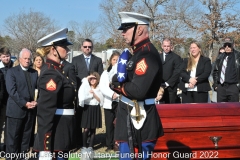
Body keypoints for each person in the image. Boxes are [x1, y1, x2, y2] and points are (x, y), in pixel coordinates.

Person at [111, 12, 164, 160]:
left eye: (126, 29)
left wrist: (116, 86)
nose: (122, 33)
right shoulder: (137, 53)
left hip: (140, 121)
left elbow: (138, 91)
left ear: (139, 30)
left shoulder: (147, 55)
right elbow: (122, 77)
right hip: (130, 117)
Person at [33, 28, 76, 159]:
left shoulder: (58, 70)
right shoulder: (51, 73)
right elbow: (45, 111)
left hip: (62, 132)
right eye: (64, 47)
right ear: (53, 50)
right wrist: (45, 149)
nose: (67, 50)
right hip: (55, 137)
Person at [5, 48, 38, 158]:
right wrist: (25, 103)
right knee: (13, 139)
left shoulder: (34, 73)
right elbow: (12, 91)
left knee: (26, 138)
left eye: (29, 58)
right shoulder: (12, 72)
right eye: (25, 58)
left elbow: (37, 89)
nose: (27, 60)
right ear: (19, 59)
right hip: (16, 111)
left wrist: (35, 102)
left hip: (30, 112)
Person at [72, 38, 103, 149]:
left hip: (93, 95)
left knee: (90, 119)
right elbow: (73, 76)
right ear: (81, 47)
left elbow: (100, 76)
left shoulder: (98, 60)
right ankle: (79, 141)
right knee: (79, 117)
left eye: (89, 47)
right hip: (81, 94)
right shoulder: (75, 60)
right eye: (85, 46)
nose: (87, 48)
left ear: (92, 48)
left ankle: (90, 141)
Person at [99, 51, 120, 152]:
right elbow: (102, 87)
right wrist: (112, 94)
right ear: (111, 61)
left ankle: (117, 143)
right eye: (114, 60)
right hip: (109, 101)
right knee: (109, 124)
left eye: (118, 60)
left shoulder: (123, 73)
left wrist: (118, 95)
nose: (116, 62)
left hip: (119, 101)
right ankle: (109, 144)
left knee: (118, 123)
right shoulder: (105, 73)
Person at [78, 72, 103, 155]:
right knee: (86, 128)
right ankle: (84, 146)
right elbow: (82, 94)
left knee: (93, 129)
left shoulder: (99, 88)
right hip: (87, 108)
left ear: (97, 79)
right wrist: (88, 77)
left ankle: (90, 147)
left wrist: (94, 94)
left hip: (95, 108)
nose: (92, 80)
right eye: (91, 79)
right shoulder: (86, 86)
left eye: (94, 78)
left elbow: (101, 100)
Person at [213, 37, 240, 102]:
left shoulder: (238, 56)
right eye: (225, 45)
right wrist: (216, 85)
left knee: (233, 110)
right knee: (221, 110)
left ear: (233, 45)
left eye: (229, 45)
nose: (227, 47)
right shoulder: (220, 57)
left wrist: (238, 87)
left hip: (233, 86)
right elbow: (215, 71)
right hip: (221, 87)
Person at [159, 38, 182, 104]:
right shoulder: (157, 56)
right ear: (162, 46)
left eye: (168, 46)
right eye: (165, 46)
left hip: (171, 87)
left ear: (171, 46)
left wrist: (167, 83)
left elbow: (177, 72)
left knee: (171, 108)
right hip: (160, 88)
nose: (166, 48)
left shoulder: (176, 57)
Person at [0, 47, 14, 151]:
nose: (6, 58)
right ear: (0, 57)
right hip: (1, 102)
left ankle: (7, 147)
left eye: (7, 56)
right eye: (4, 56)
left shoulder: (14, 66)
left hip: (12, 101)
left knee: (10, 127)